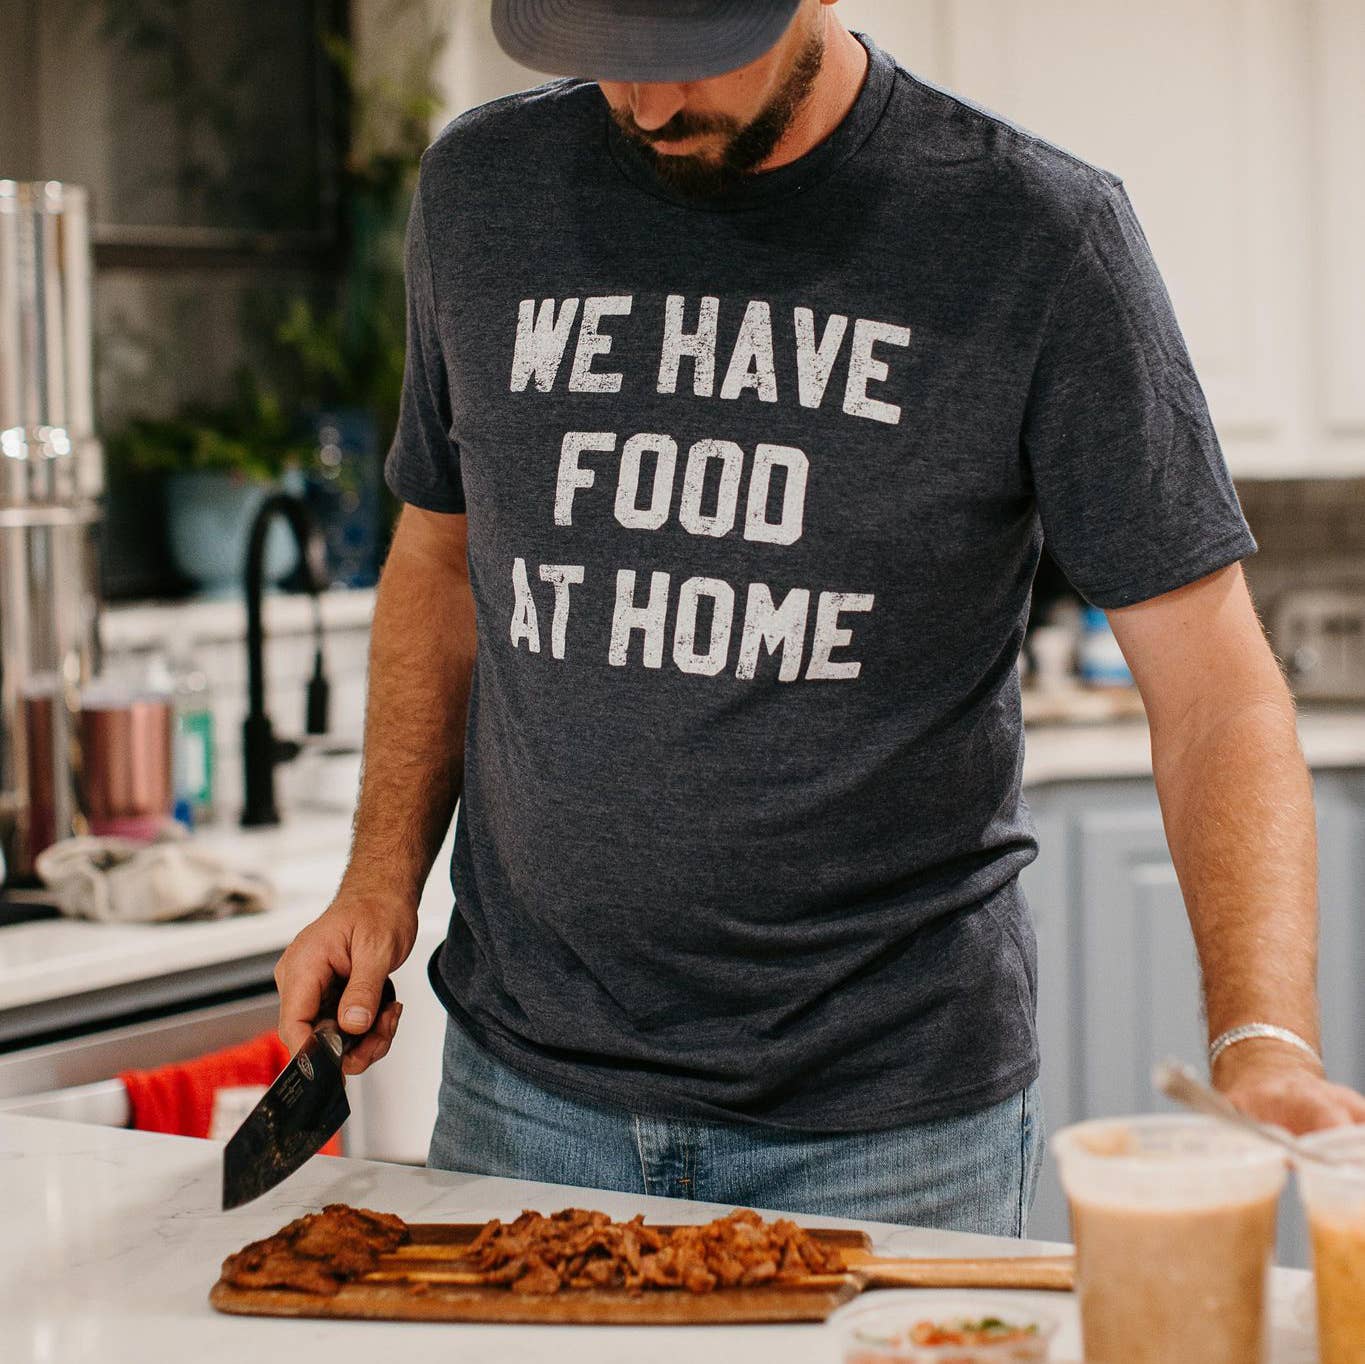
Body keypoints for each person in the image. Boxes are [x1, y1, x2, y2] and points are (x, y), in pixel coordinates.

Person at [274, 0, 1365, 1234]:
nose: (641, 105)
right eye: (605, 59)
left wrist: (1265, 1036)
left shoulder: (1034, 233)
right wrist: (378, 876)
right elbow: (438, 554)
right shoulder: (481, 191)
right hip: (526, 1096)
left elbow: (1214, 681)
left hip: (888, 1132)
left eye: (684, 54)